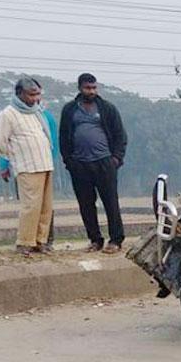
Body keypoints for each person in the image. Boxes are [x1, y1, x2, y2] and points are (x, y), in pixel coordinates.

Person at [59, 73, 127, 253]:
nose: (91, 91)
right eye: (88, 88)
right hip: (80, 165)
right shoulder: (70, 110)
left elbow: (120, 135)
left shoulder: (107, 108)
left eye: (94, 88)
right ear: (80, 88)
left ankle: (116, 240)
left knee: (111, 202)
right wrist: (69, 161)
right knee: (86, 204)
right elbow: (63, 138)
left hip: (104, 163)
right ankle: (95, 240)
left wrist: (116, 159)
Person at [0, 77, 55, 256]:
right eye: (31, 94)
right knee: (31, 206)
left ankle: (40, 241)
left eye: (37, 94)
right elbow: (0, 142)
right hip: (27, 166)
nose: (35, 98)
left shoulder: (37, 112)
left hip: (45, 163)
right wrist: (14, 156)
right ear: (20, 94)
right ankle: (24, 242)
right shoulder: (8, 114)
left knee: (45, 207)